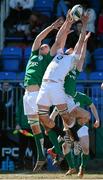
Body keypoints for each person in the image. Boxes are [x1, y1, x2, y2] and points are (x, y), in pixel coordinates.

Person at [36, 14, 90, 167]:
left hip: (57, 86)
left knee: (67, 118)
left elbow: (80, 42)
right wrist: (68, 22)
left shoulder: (73, 59)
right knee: (43, 118)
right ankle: (64, 137)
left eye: (72, 48)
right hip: (45, 86)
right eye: (69, 48)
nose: (70, 48)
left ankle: (73, 138)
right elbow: (59, 38)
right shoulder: (59, 54)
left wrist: (84, 25)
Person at [48, 32, 100, 178]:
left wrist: (83, 41)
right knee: (65, 146)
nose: (70, 51)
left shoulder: (79, 93)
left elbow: (80, 55)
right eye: (68, 51)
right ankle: (71, 167)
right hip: (68, 118)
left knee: (85, 149)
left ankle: (81, 166)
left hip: (78, 121)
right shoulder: (64, 71)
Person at [23, 17, 63, 172]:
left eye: (46, 46)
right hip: (27, 95)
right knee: (35, 128)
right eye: (43, 45)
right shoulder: (34, 54)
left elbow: (58, 43)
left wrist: (63, 28)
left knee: (46, 125)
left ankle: (59, 151)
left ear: (48, 52)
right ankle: (41, 157)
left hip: (38, 94)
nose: (44, 45)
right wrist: (52, 27)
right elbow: (39, 37)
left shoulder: (47, 60)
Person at [15, 96, 36, 170]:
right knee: (22, 148)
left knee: (35, 148)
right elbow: (18, 111)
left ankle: (38, 166)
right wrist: (17, 123)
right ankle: (20, 166)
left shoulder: (37, 97)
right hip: (23, 128)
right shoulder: (22, 99)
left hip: (34, 127)